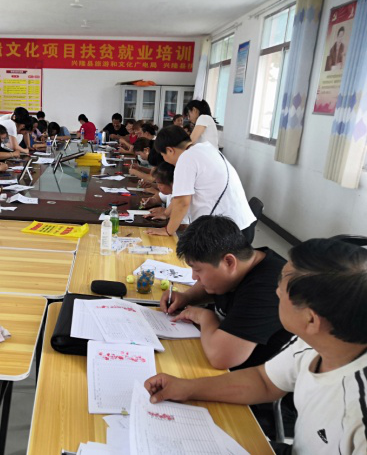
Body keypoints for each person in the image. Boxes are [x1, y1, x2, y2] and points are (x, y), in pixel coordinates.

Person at [144, 236, 367, 454]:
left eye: (282, 288)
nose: (276, 290)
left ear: (311, 319)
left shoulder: (358, 412)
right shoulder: (317, 342)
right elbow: (264, 381)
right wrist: (187, 387)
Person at [161, 216, 291, 370]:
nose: (194, 277)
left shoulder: (268, 289)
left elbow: (221, 358)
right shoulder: (245, 262)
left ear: (229, 262)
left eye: (198, 270)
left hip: (250, 374)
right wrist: (187, 297)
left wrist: (205, 317)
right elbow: (211, 285)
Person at [148, 125, 255, 238]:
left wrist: (167, 231)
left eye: (163, 155)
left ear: (170, 150)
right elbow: (180, 196)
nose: (165, 160)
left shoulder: (186, 159)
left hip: (227, 230)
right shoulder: (205, 148)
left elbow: (182, 202)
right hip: (239, 224)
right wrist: (166, 214)